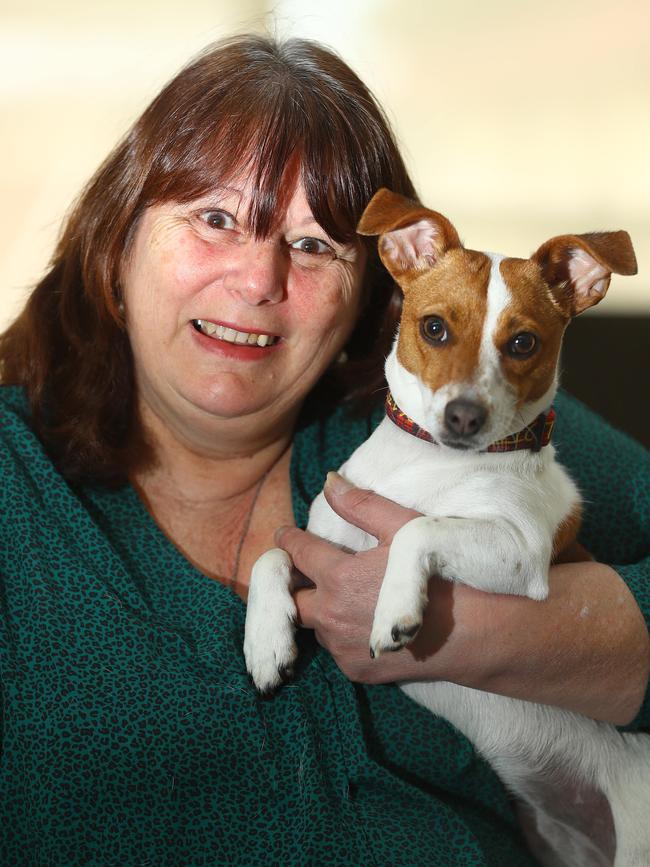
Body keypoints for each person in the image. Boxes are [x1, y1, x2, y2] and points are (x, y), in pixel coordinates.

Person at [0, 33, 648, 866]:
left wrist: (490, 632)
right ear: (117, 236)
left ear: (369, 286)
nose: (257, 279)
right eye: (216, 218)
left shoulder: (469, 418)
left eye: (312, 245)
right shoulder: (18, 483)